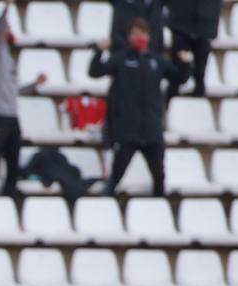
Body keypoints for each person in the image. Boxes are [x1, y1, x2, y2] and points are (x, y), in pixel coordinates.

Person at [90, 20, 189, 198]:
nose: (139, 37)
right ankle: (104, 204)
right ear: (129, 37)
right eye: (135, 34)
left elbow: (179, 77)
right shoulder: (121, 59)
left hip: (152, 129)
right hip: (128, 130)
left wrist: (185, 63)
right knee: (117, 172)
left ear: (148, 36)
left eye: (142, 33)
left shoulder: (156, 61)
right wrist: (99, 51)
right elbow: (95, 71)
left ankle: (160, 208)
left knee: (159, 174)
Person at [0, 2, 48, 197]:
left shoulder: (8, 57)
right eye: (7, 27)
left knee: (13, 157)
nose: (9, 31)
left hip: (11, 114)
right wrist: (6, 9)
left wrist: (34, 84)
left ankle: (10, 189)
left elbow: (14, 90)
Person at [166, 0, 222, 98]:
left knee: (200, 74)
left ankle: (198, 104)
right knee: (177, 71)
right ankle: (171, 102)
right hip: (181, 25)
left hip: (205, 27)